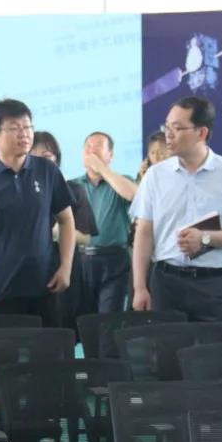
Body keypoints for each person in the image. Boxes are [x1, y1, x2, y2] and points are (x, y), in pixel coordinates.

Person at [129, 96, 222, 322]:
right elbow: (144, 233)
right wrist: (140, 287)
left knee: (218, 345)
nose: (168, 134)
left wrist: (205, 238)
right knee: (167, 345)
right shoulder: (155, 175)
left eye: (177, 128)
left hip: (214, 284)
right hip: (166, 283)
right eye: (167, 127)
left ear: (201, 132)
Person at [0, 99, 75, 326]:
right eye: (15, 128)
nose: (24, 134)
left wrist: (65, 267)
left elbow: (66, 220)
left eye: (27, 127)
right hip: (0, 289)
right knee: (6, 348)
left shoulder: (47, 170)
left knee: (51, 346)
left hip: (46, 284)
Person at [31, 131, 97, 328]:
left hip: (65, 268)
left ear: (56, 159)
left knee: (63, 326)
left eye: (47, 156)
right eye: (34, 156)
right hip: (32, 270)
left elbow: (85, 237)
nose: (41, 162)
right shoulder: (19, 192)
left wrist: (56, 233)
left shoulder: (73, 190)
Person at [69, 132, 138, 314]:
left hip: (115, 260)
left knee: (109, 318)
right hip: (81, 259)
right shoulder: (73, 185)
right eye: (88, 147)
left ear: (110, 156)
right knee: (83, 319)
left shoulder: (122, 182)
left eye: (98, 146)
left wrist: (101, 168)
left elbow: (134, 195)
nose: (91, 151)